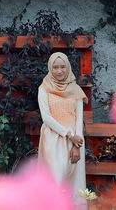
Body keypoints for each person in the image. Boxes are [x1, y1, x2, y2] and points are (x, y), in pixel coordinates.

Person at [37, 52, 88, 209]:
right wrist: (69, 135)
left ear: (68, 68)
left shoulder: (76, 90)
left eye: (63, 67)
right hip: (52, 140)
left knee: (76, 182)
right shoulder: (44, 89)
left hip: (75, 142)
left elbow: (78, 119)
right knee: (56, 181)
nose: (59, 71)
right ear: (50, 69)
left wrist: (77, 146)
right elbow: (46, 118)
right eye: (55, 67)